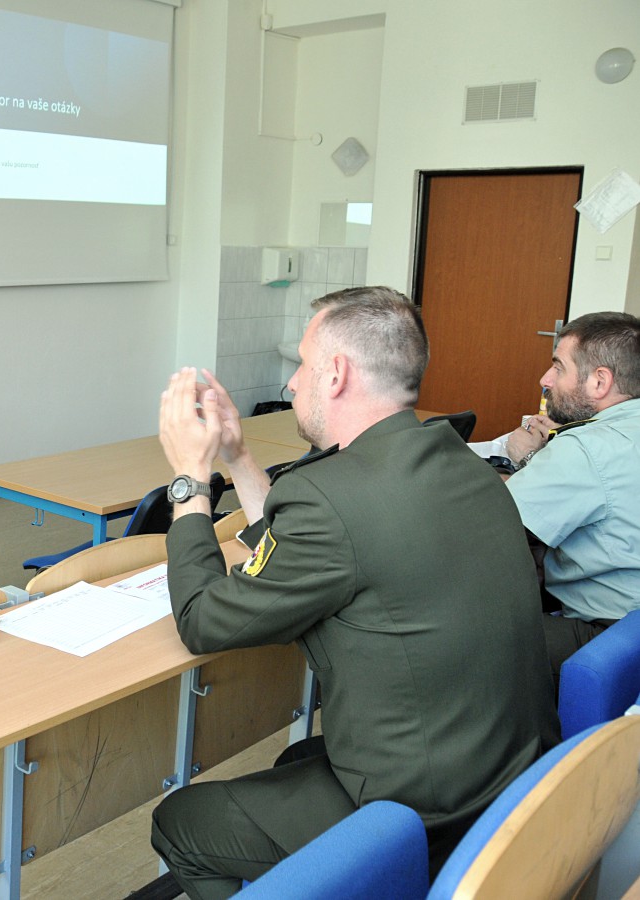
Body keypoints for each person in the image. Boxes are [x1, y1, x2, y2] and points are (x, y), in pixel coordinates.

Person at [150, 287, 558, 899]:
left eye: (303, 364)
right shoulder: (463, 464)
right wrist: (237, 456)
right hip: (511, 778)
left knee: (180, 822)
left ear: (336, 374)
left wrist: (188, 481)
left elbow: (201, 618)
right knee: (294, 763)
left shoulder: (328, 497)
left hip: (429, 813)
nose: (292, 382)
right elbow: (316, 543)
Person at [504, 312, 640, 672]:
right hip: (633, 622)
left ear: (600, 381)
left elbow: (496, 522)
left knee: (468, 633)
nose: (545, 380)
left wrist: (527, 458)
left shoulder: (587, 447)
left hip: (613, 637)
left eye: (558, 367)